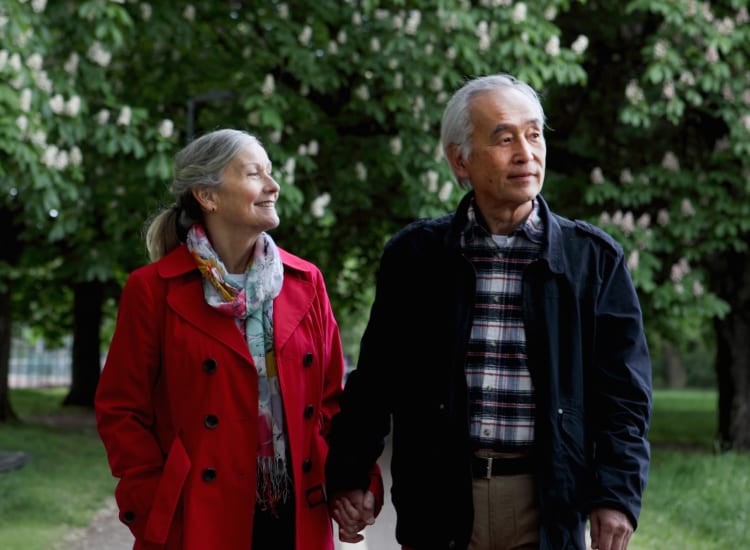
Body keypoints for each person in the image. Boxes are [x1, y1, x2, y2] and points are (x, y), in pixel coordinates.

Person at [324, 73, 652, 550]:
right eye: (504, 138)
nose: (526, 152)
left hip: (547, 502)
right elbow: (377, 379)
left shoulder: (594, 261)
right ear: (461, 159)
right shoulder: (415, 257)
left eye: (534, 134)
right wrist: (350, 475)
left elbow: (625, 397)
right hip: (440, 500)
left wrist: (616, 495)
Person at [95, 128, 382, 550]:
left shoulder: (307, 283)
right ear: (207, 196)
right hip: (198, 516)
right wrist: (153, 502)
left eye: (270, 173)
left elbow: (330, 404)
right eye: (254, 174)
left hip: (297, 513)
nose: (273, 186)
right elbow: (121, 410)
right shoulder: (153, 290)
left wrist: (353, 481)